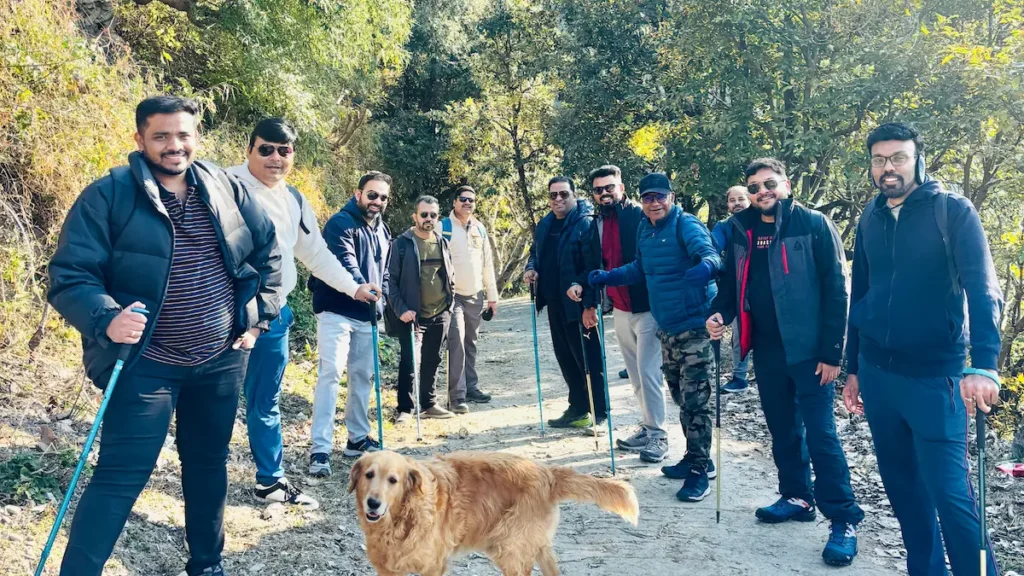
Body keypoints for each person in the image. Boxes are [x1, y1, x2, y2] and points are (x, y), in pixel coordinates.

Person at [47, 95, 282, 576]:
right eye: (161, 136)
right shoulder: (108, 195)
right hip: (144, 365)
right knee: (118, 478)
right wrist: (106, 317)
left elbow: (269, 255)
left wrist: (258, 318)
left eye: (183, 135)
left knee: (207, 465)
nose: (174, 146)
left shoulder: (223, 186)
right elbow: (70, 276)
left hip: (219, 360)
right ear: (140, 139)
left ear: (196, 137)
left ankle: (207, 565)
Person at [844, 122, 1003, 576]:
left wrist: (984, 366)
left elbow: (983, 287)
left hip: (937, 378)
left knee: (951, 496)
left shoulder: (952, 211)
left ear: (917, 159)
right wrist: (852, 367)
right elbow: (861, 293)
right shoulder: (870, 216)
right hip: (878, 374)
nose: (887, 167)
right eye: (879, 159)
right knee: (904, 492)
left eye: (897, 157)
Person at [706, 158, 863, 567]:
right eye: (755, 187)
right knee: (782, 429)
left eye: (769, 184)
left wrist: (833, 354)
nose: (762, 192)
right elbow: (730, 286)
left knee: (822, 435)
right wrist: (720, 314)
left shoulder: (812, 224)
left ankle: (843, 519)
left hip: (812, 353)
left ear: (787, 185)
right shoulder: (743, 231)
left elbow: (836, 289)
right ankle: (797, 496)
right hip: (767, 349)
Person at [226, 118, 379, 509]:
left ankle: (269, 481)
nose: (275, 157)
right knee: (214, 398)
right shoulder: (225, 185)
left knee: (265, 400)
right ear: (249, 149)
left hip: (274, 315)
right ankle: (206, 477)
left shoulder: (293, 199)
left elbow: (315, 255)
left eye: (284, 150)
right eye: (266, 149)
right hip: (224, 315)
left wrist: (354, 287)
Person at [588, 172, 720, 502]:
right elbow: (638, 268)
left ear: (671, 197)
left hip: (694, 327)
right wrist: (608, 276)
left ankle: (701, 469)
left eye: (660, 196)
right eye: (648, 198)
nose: (654, 203)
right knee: (679, 396)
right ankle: (694, 455)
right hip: (667, 328)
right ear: (641, 200)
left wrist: (706, 267)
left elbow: (710, 254)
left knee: (696, 401)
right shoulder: (646, 229)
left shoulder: (685, 225)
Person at [567, 165, 667, 463]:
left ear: (621, 187)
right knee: (635, 374)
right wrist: (585, 296)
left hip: (647, 306)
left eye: (609, 187)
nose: (604, 193)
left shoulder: (640, 215)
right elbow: (592, 264)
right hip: (619, 308)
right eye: (598, 189)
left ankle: (659, 435)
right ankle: (648, 428)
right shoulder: (595, 223)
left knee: (649, 372)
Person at [308, 171, 392, 476]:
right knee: (330, 374)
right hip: (335, 310)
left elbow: (384, 272)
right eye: (372, 195)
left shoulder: (383, 231)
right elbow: (345, 263)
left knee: (363, 377)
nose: (377, 202)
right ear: (358, 194)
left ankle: (357, 438)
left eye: (383, 197)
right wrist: (362, 287)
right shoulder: (339, 224)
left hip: (367, 315)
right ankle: (320, 448)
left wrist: (381, 300)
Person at [524, 176, 606, 429]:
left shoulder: (586, 223)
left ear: (574, 195)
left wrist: (587, 297)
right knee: (566, 358)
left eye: (563, 194)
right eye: (553, 195)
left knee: (589, 360)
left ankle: (600, 413)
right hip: (554, 301)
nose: (558, 199)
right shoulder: (546, 224)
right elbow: (535, 253)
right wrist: (531, 269)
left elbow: (594, 264)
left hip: (578, 305)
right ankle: (578, 408)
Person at [388, 195, 458, 421]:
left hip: (440, 312)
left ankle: (428, 404)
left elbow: (449, 274)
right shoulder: (401, 244)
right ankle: (405, 409)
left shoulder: (441, 242)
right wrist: (401, 310)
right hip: (411, 316)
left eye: (433, 215)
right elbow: (390, 281)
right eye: (424, 214)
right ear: (415, 216)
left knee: (433, 359)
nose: (428, 219)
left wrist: (449, 304)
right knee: (409, 361)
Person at [441, 185, 498, 411]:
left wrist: (492, 297)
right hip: (452, 296)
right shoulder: (442, 227)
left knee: (471, 343)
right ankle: (456, 397)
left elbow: (487, 264)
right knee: (457, 343)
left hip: (475, 295)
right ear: (454, 202)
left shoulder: (480, 228)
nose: (467, 203)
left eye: (471, 200)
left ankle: (471, 387)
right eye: (463, 199)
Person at [710, 185, 752, 394]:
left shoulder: (761, 222)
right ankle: (739, 376)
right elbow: (712, 246)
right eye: (732, 200)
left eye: (741, 199)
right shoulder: (725, 226)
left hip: (764, 289)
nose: (737, 204)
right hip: (737, 289)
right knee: (739, 332)